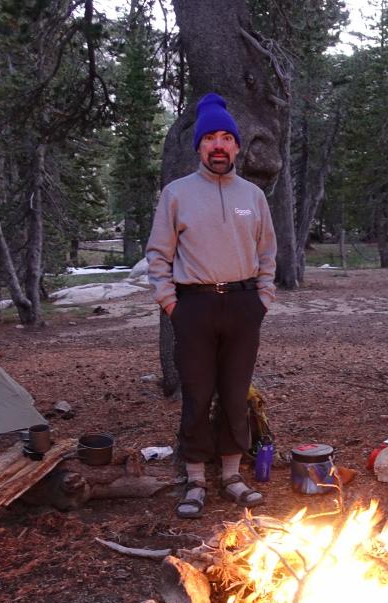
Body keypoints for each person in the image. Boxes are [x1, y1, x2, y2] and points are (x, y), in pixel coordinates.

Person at [146, 92, 277, 519]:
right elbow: (158, 255)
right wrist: (171, 303)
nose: (218, 146)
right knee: (198, 395)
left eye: (226, 138)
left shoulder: (253, 197)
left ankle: (232, 476)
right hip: (194, 308)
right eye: (210, 139)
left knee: (236, 395)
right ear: (199, 146)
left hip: (243, 305)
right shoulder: (176, 194)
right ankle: (196, 481)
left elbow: (268, 253)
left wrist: (262, 299)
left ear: (237, 146)